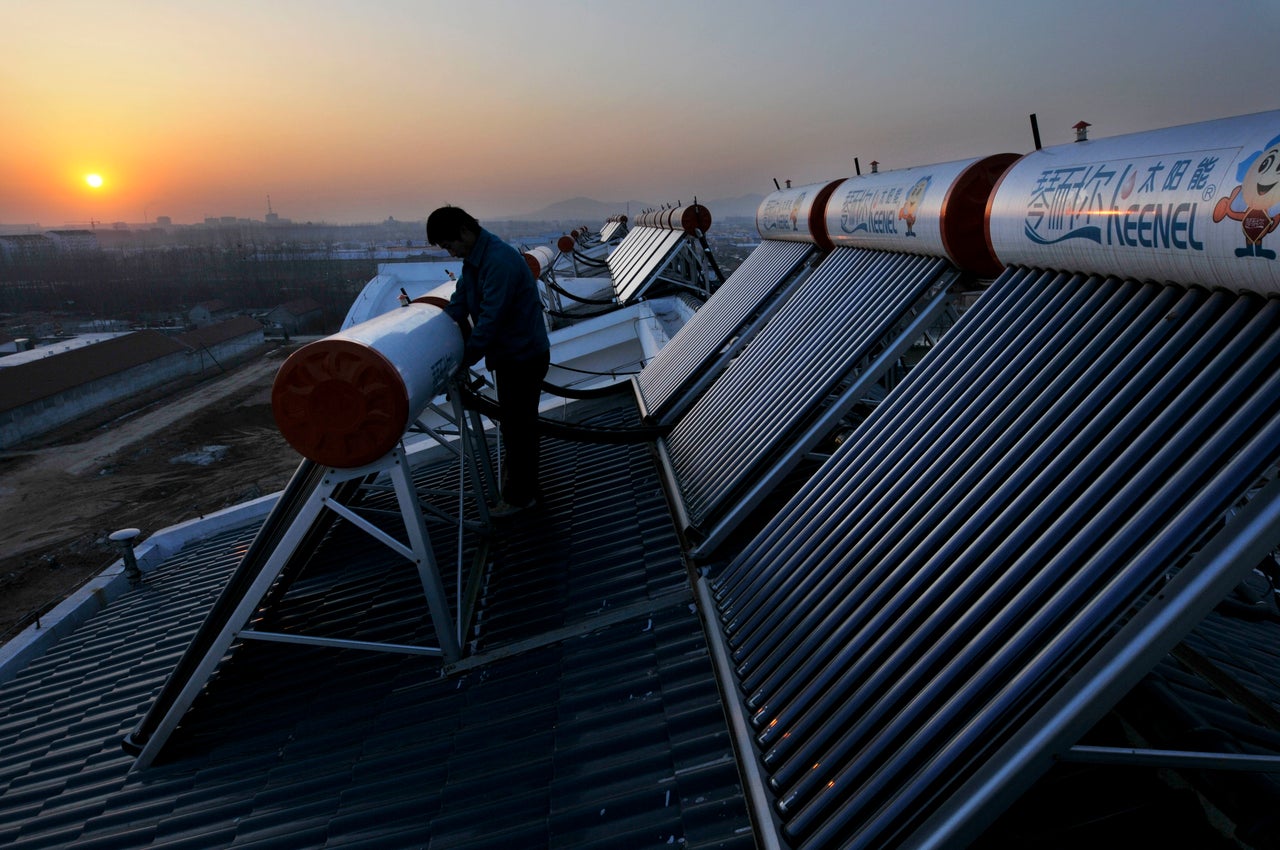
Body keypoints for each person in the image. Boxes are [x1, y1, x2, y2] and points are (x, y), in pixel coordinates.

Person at [427, 206, 550, 515]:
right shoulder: (477, 260)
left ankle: (521, 498)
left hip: (522, 357)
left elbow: (490, 322)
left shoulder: (497, 261)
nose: (450, 252)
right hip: (514, 354)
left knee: (519, 428)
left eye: (450, 244)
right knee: (517, 425)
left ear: (465, 231)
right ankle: (522, 490)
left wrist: (461, 361)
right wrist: (435, 324)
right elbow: (460, 301)